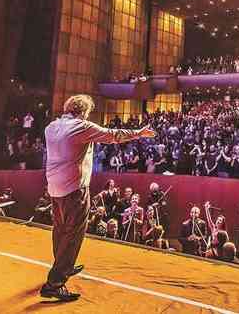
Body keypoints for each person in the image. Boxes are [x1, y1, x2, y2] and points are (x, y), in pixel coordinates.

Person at [40, 94, 155, 302]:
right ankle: (55, 283)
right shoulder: (81, 127)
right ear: (84, 112)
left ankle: (63, 264)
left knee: (60, 229)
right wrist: (139, 133)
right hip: (74, 189)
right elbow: (113, 135)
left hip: (53, 187)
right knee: (74, 233)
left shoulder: (51, 127)